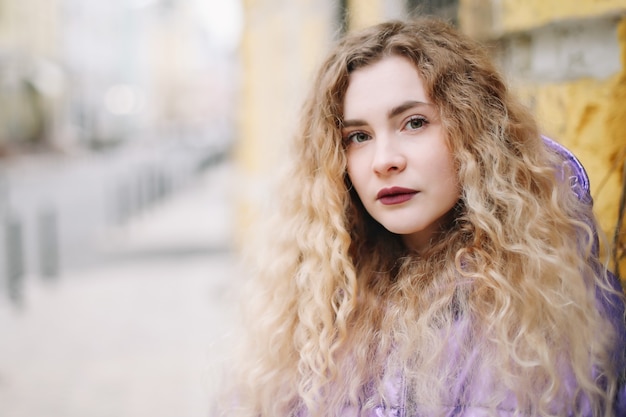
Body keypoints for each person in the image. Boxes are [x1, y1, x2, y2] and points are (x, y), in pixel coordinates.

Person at [222, 17, 626, 417]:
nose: (385, 161)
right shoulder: (322, 301)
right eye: (358, 137)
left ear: (473, 130)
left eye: (414, 123)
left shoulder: (556, 300)